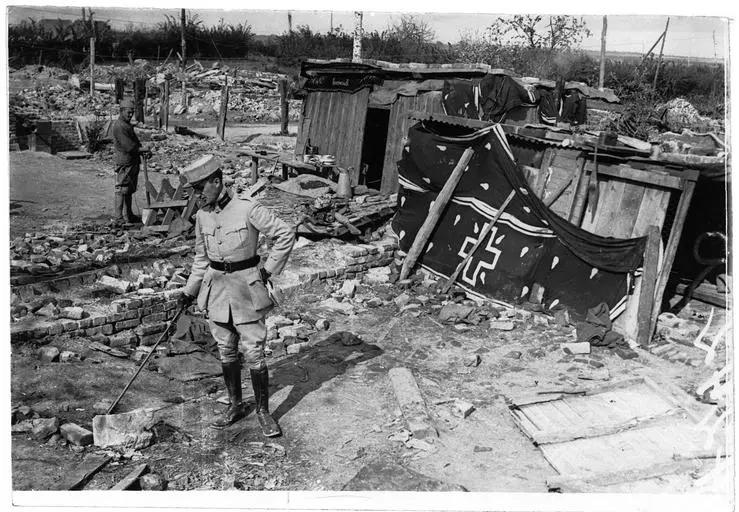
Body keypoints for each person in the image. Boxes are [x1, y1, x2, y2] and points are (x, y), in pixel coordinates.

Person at [178, 155, 295, 437]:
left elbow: (285, 234)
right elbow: (200, 258)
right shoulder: (203, 216)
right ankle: (234, 405)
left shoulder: (248, 208)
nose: (197, 195)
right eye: (194, 190)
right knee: (226, 350)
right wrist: (188, 291)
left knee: (253, 352)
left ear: (217, 182)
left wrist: (267, 271)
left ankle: (263, 412)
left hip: (246, 290)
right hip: (216, 291)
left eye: (200, 188)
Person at [111, 98, 148, 225]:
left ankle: (128, 215)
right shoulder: (119, 126)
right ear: (121, 111)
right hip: (124, 162)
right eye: (128, 112)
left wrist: (142, 149)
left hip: (132, 161)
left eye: (132, 112)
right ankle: (118, 218)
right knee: (122, 189)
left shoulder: (127, 125)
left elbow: (135, 142)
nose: (130, 114)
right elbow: (129, 146)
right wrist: (142, 149)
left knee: (129, 190)